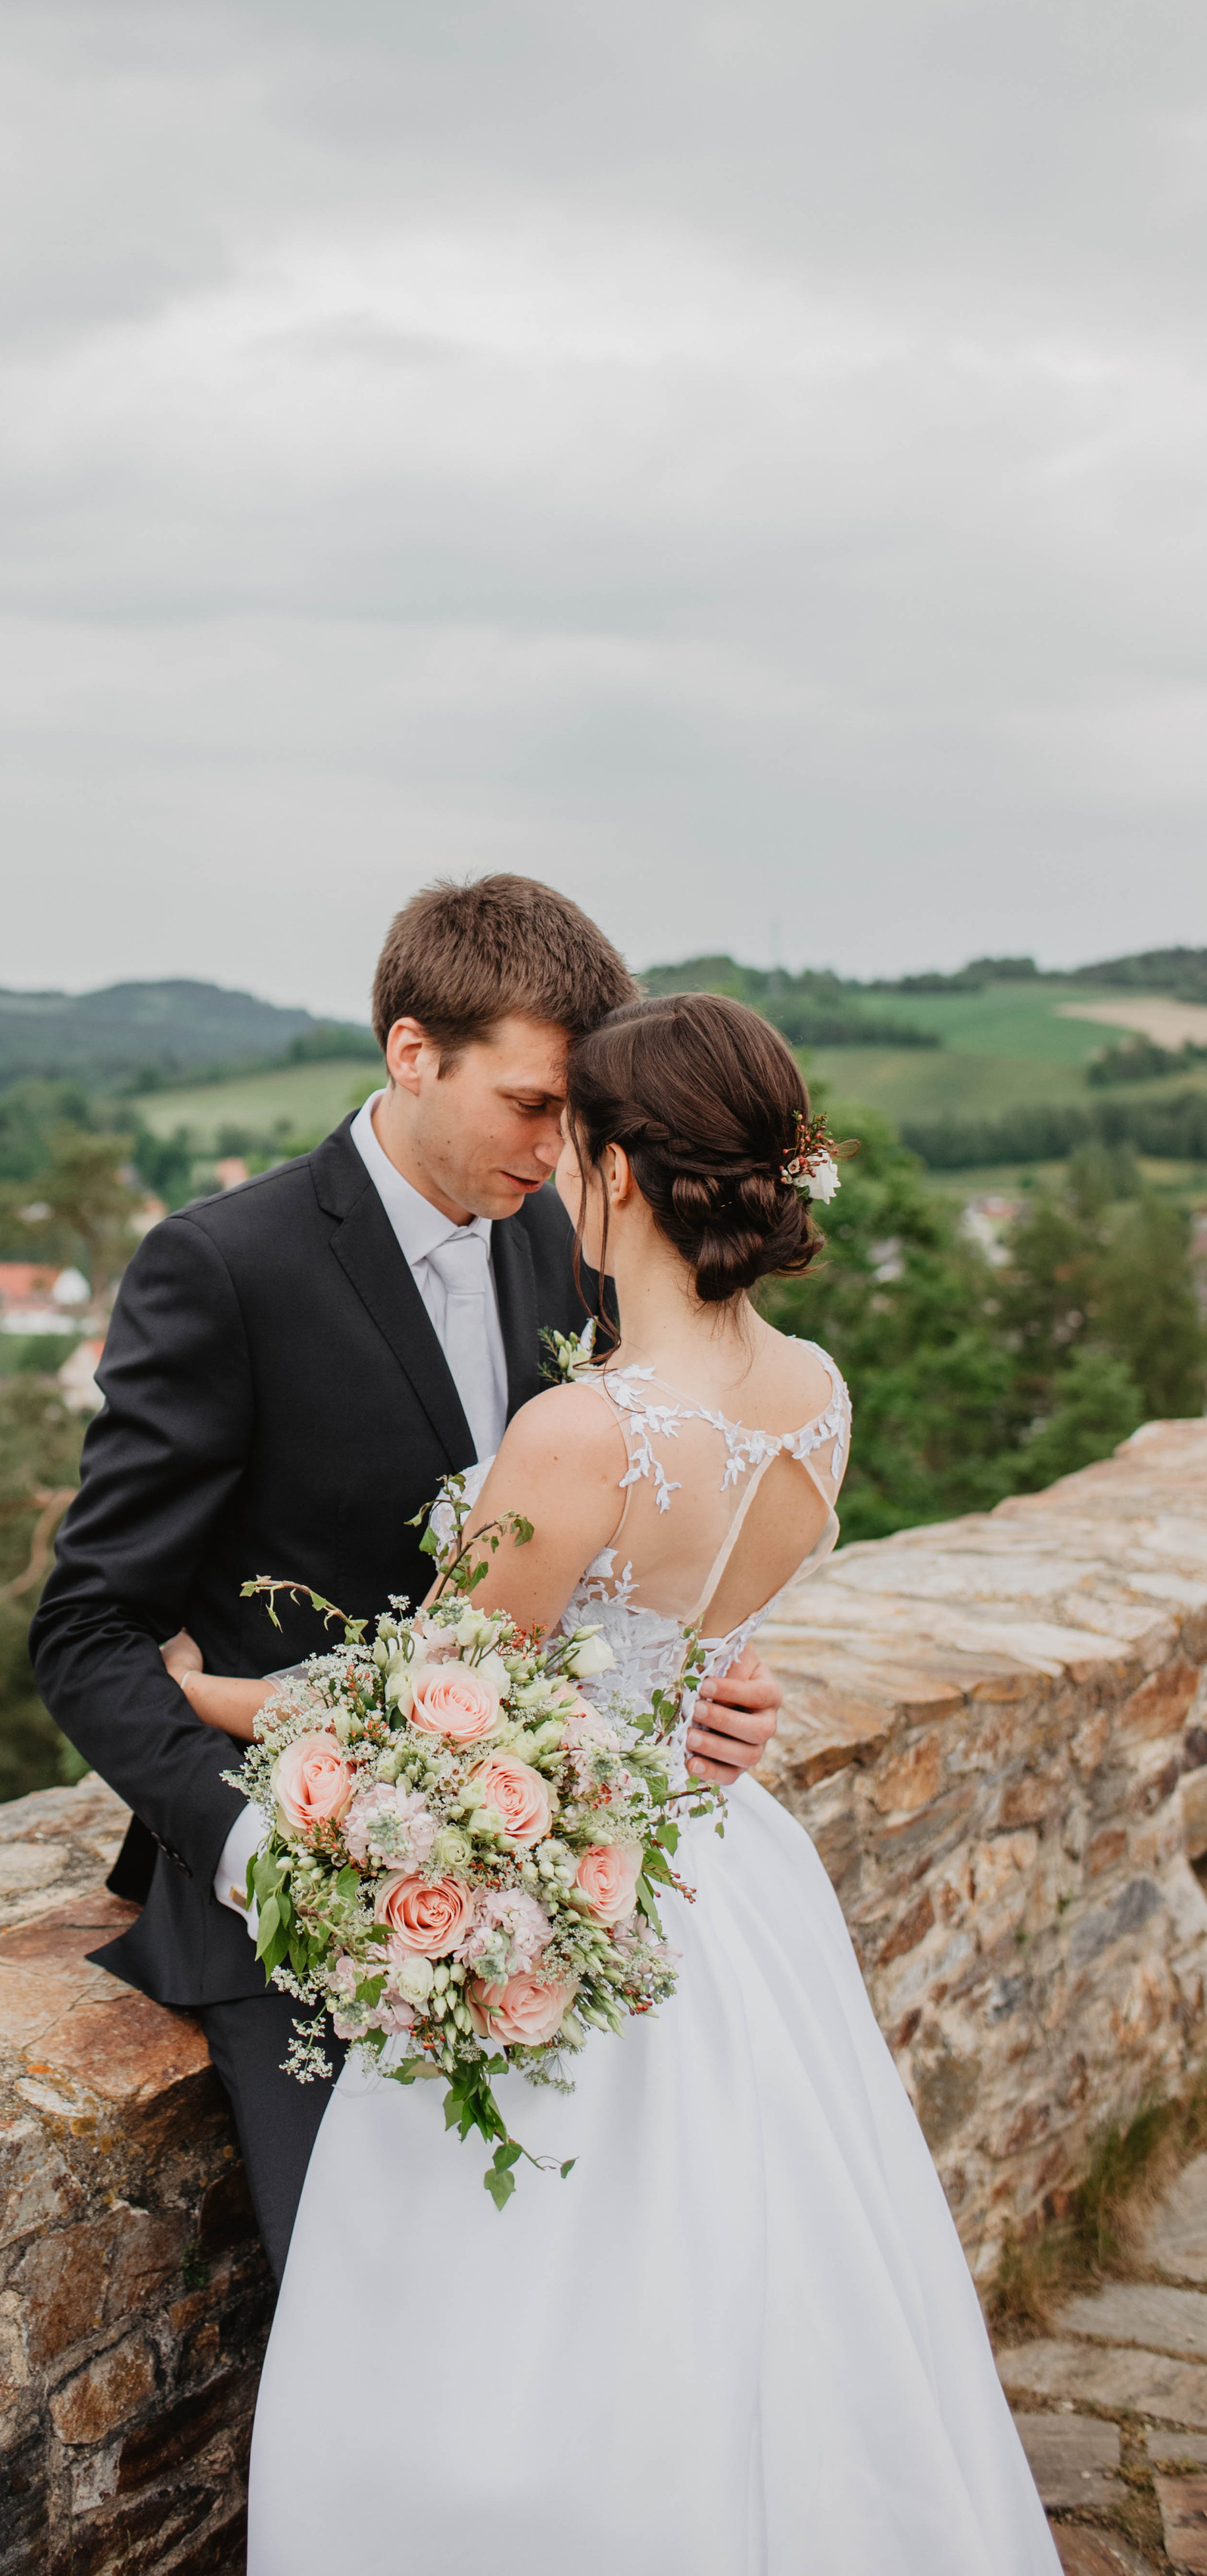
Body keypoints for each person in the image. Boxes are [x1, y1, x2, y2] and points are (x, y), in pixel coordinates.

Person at [189, 992, 1054, 2573]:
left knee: (514, 2325)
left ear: (619, 1176)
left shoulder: (579, 1432)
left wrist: (218, 1693)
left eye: (571, 1142)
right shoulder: (814, 1397)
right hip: (726, 1873)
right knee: (765, 2290)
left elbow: (434, 1708)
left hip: (580, 1901)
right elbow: (686, 1646)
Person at [30, 877, 787, 2279]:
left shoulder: (579, 1254)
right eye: (530, 1101)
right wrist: (265, 1854)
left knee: (606, 2286)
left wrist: (691, 1687)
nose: (562, 1144)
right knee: (381, 2308)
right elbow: (86, 1628)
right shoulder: (224, 1266)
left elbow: (600, 1561)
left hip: (551, 1878)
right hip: (293, 1891)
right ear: (411, 1052)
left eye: (579, 1113)